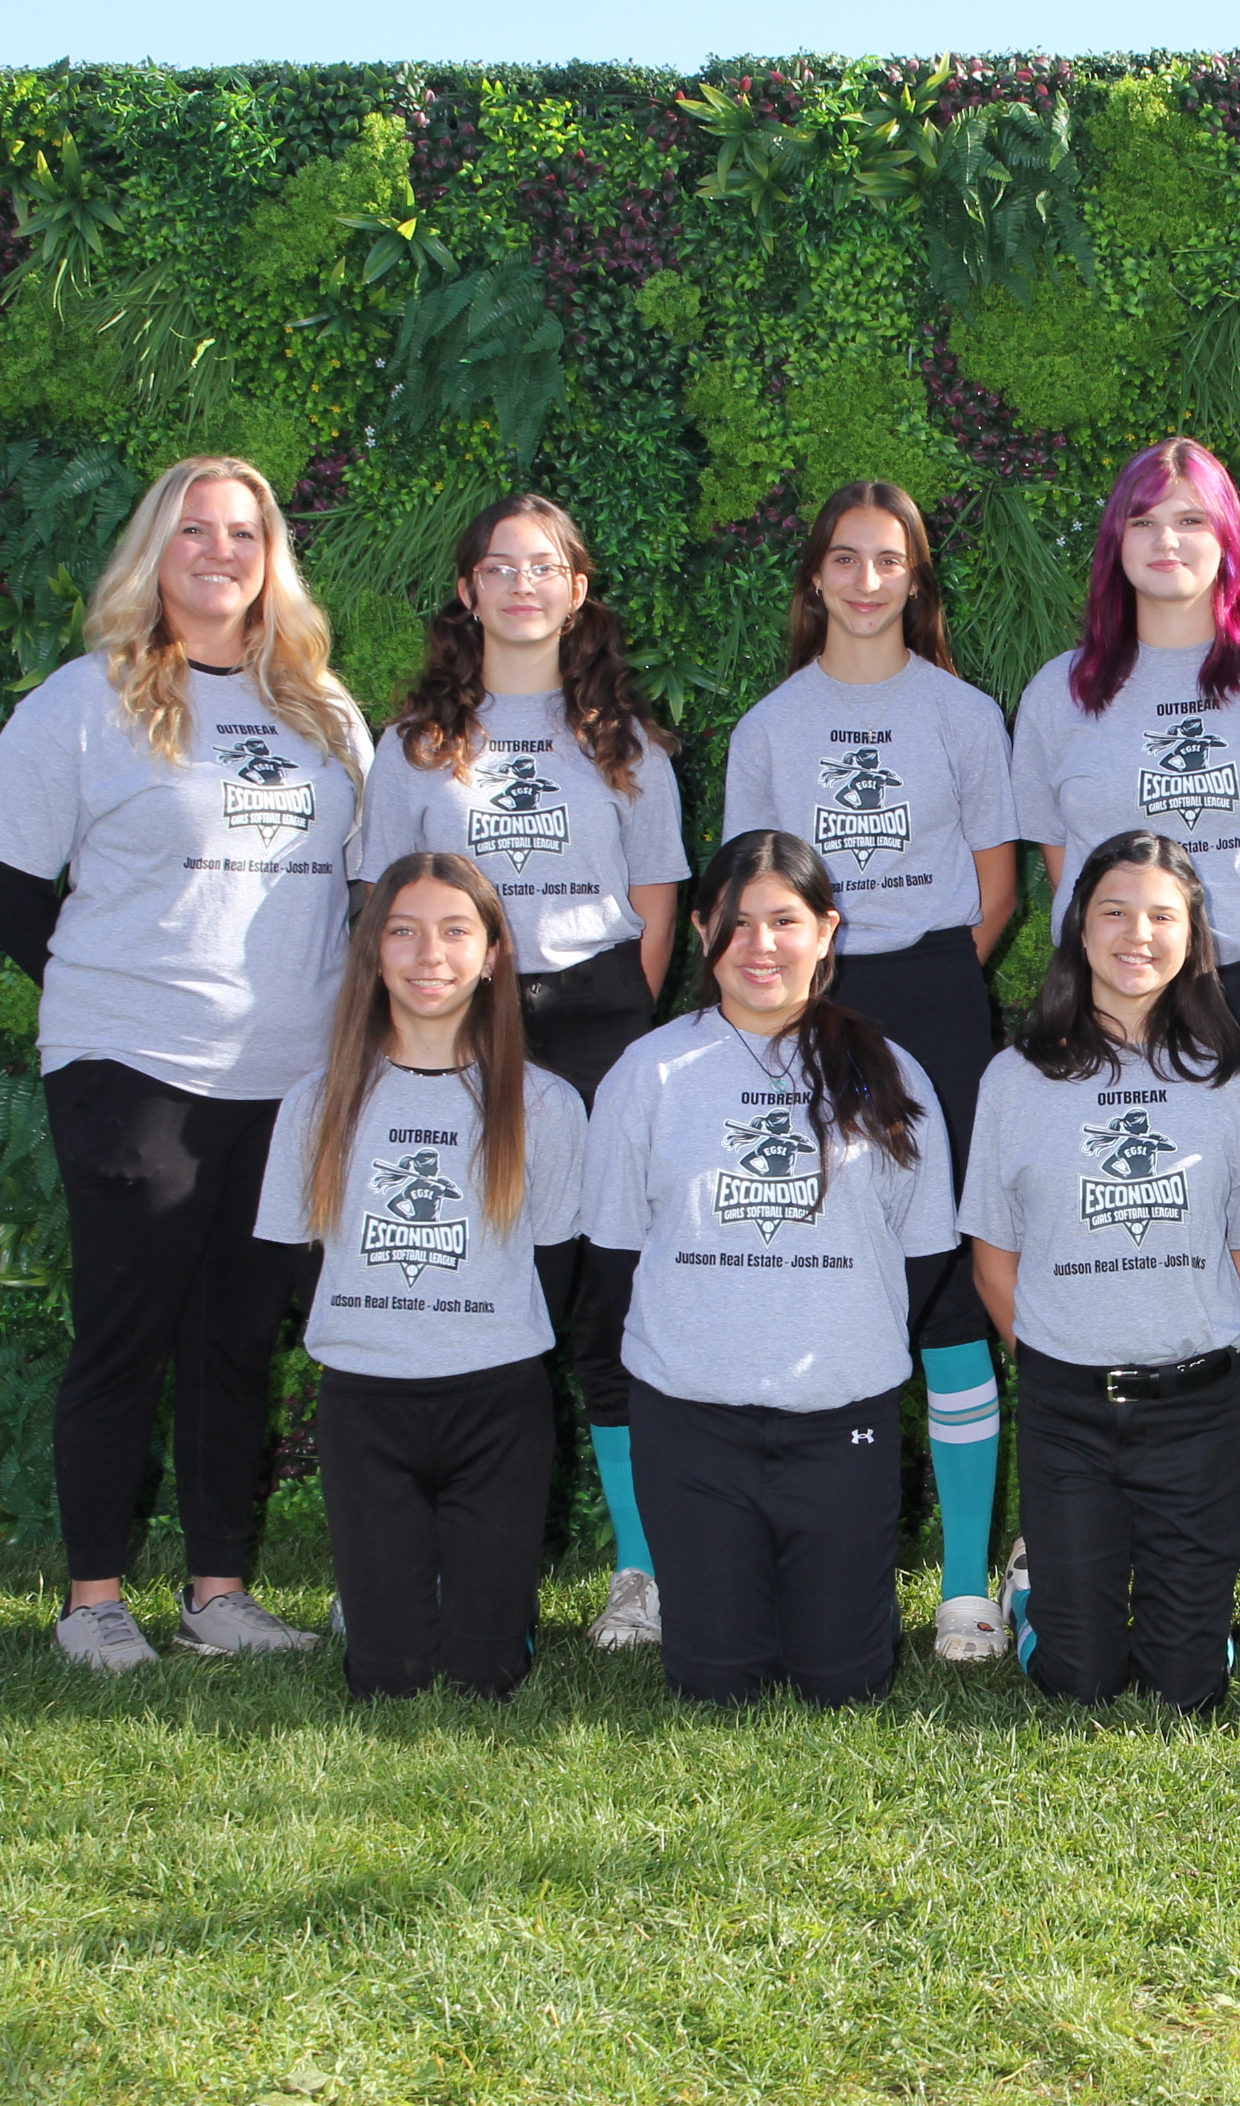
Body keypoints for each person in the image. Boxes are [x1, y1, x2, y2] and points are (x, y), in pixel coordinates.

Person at [0, 453, 365, 1673]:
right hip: (133, 1065)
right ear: (155, 551)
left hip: (287, 1078)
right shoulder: (84, 703)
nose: (220, 553)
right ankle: (91, 1602)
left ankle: (217, 1595)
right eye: (194, 530)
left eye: (244, 533)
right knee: (125, 1334)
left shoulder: (323, 713)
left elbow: (361, 895)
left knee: (237, 1342)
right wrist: (106, 988)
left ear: (271, 558)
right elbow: (1, 882)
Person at [1013, 437, 1240, 1662]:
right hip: (1120, 1002)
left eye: (1193, 521)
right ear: (1115, 541)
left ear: (1230, 541)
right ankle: (1092, 1545)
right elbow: (1068, 877)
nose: (1169, 542)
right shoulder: (1062, 692)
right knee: (1131, 1240)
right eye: (1146, 520)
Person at [361, 492, 685, 1657]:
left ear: (578, 589)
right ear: (468, 591)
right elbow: (383, 907)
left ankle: (641, 1570)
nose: (521, 586)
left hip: (595, 1024)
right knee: (464, 1283)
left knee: (603, 1303)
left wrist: (619, 1025)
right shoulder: (413, 746)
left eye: (544, 566)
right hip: (458, 1027)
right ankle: (424, 1558)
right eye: (498, 567)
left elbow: (657, 907)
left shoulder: (629, 744)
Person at [724, 481, 1020, 1665]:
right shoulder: (770, 726)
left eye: (887, 560)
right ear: (815, 577)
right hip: (808, 1006)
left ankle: (964, 1586)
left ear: (915, 578)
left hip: (937, 993)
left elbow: (996, 887)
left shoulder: (962, 713)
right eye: (843, 559)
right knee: (813, 1260)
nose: (864, 581)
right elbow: (750, 900)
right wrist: (820, 1004)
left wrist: (924, 984)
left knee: (948, 1287)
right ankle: (797, 1558)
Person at [583, 830, 957, 1707]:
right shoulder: (650, 1072)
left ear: (826, 930)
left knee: (843, 1683)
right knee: (717, 1681)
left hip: (839, 1419)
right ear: (702, 929)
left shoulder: (890, 1073)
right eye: (738, 921)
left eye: (785, 921)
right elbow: (614, 1253)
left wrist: (835, 1330)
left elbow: (926, 1251)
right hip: (692, 1422)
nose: (760, 945)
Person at [253, 853, 587, 1699]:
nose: (429, 955)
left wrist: (475, 1326)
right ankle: (386, 1601)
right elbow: (298, 1257)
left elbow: (557, 1259)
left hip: (497, 1403)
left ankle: (489, 1601)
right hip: (366, 1403)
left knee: (486, 1676)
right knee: (387, 1677)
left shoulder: (544, 1104)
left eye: (454, 932)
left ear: (493, 954)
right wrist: (380, 1324)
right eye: (402, 932)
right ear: (372, 953)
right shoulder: (316, 1102)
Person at [962, 831, 1240, 1711]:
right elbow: (995, 1256)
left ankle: (1197, 1622)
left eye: (1162, 916)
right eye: (1114, 911)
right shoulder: (1015, 1080)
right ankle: (1033, 1594)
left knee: (1187, 1691)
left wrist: (1178, 1337)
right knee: (1082, 1682)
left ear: (1192, 936)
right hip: (1068, 1411)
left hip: (1198, 1412)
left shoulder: (1239, 1084)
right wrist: (1059, 1356)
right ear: (1078, 927)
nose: (1137, 935)